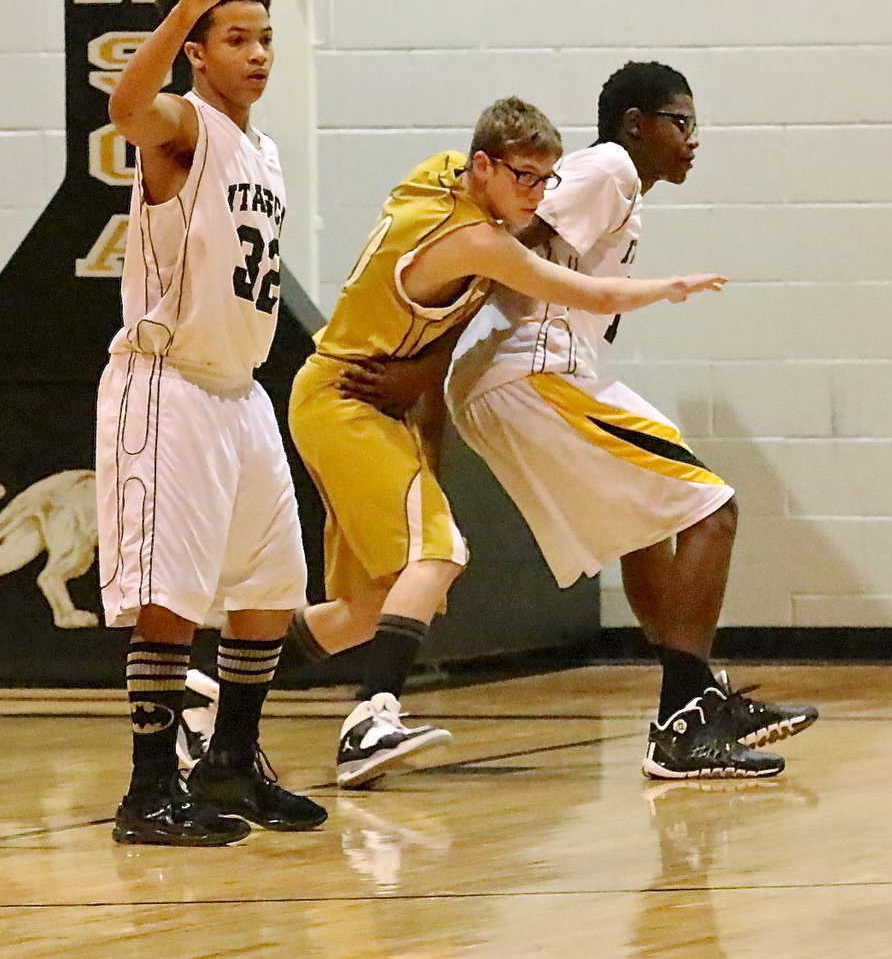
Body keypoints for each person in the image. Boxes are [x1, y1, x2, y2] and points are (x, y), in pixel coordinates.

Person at [287, 96, 726, 787]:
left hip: (360, 400)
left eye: (546, 179)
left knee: (369, 607)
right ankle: (370, 719)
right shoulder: (475, 239)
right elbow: (587, 293)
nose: (537, 195)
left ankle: (212, 693)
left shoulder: (436, 178)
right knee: (441, 552)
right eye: (523, 176)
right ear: (484, 166)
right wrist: (671, 286)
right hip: (347, 396)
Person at [433, 61, 817, 781]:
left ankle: (696, 695)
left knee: (647, 528)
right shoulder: (606, 167)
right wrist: (419, 345)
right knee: (714, 508)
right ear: (635, 125)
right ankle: (683, 719)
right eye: (681, 122)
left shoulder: (619, 187)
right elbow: (497, 250)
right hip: (533, 372)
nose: (693, 140)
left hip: (536, 374)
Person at [99, 0, 327, 845]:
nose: (259, 54)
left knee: (271, 584)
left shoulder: (261, 149)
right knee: (172, 594)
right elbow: (123, 108)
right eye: (237, 38)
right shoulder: (184, 127)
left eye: (266, 37)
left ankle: (231, 762)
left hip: (242, 392)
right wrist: (182, 5)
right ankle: (148, 790)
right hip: (170, 386)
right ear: (198, 50)